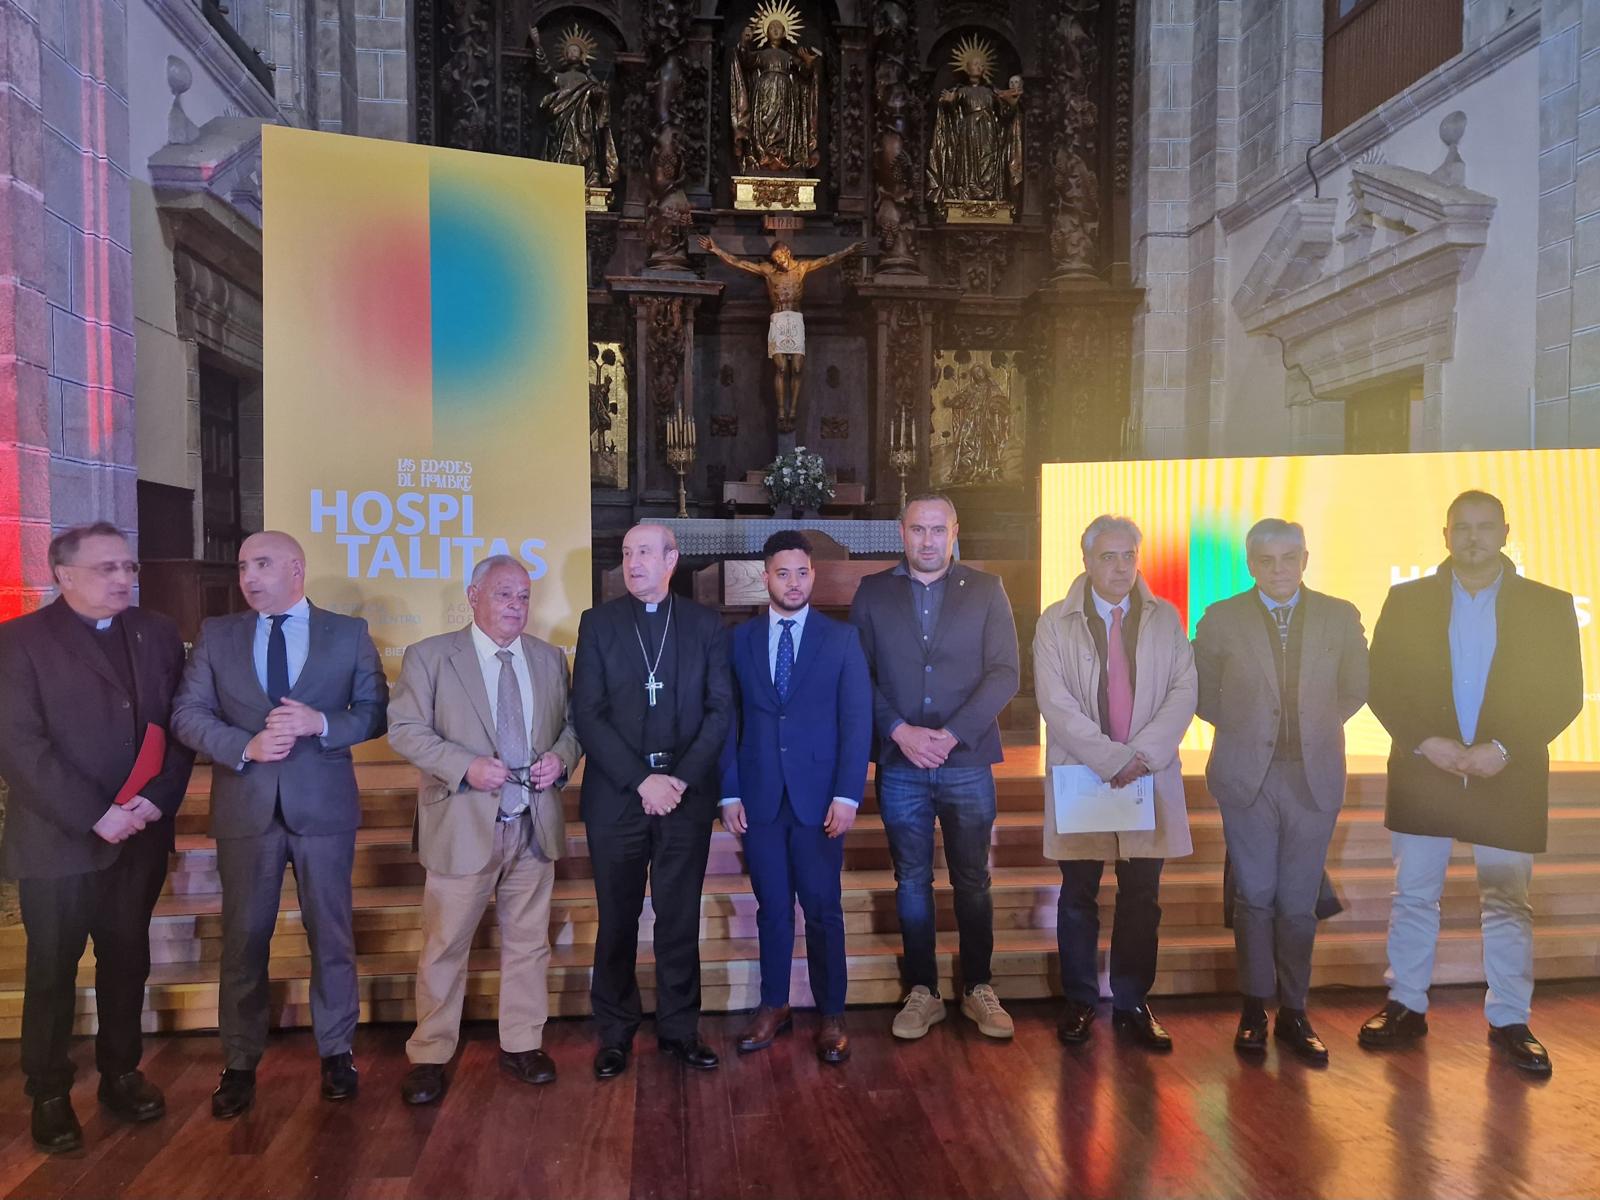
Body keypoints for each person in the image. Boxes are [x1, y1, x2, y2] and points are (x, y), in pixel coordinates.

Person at [1359, 491, 1582, 1075]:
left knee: (1507, 903)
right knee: (1413, 897)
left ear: (1506, 533)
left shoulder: (1548, 606)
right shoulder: (1405, 602)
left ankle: (1511, 1018)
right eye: (1463, 528)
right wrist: (1423, 741)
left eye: (1486, 527)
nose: (1474, 537)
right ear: (1446, 534)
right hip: (1424, 772)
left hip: (1506, 777)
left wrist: (1504, 749)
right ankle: (1405, 1005)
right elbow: (1380, 682)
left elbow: (1563, 694)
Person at [172, 531, 388, 1117]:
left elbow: (373, 712)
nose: (249, 576)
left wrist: (322, 721)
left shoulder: (347, 634)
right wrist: (246, 746)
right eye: (243, 565)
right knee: (243, 940)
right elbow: (187, 715)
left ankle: (336, 1052)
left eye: (262, 564)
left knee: (331, 935)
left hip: (323, 810)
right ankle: (239, 1063)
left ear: (297, 569)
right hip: (246, 809)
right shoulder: (218, 636)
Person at [0, 523, 195, 1153]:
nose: (123, 579)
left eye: (128, 567)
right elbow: (20, 748)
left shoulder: (158, 633)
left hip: (139, 834)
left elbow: (180, 727)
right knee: (52, 971)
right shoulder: (18, 642)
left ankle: (120, 1072)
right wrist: (95, 814)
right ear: (63, 574)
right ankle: (50, 1091)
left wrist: (153, 801)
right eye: (107, 568)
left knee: (126, 960)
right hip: (58, 840)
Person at [387, 555, 582, 1104]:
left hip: (532, 822)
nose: (516, 606)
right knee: (444, 946)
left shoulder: (548, 658)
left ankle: (522, 1042)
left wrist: (561, 760)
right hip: (462, 823)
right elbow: (403, 730)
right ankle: (429, 1053)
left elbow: (571, 727)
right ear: (473, 597)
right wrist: (462, 765)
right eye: (504, 595)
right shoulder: (430, 657)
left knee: (528, 944)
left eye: (523, 596)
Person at [1193, 519, 1368, 1063]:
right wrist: (1250, 733)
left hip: (1314, 778)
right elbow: (1202, 695)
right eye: (1265, 560)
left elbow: (1356, 688)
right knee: (1255, 897)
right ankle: (1252, 1009)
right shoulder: (1222, 618)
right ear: (1250, 564)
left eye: (1288, 558)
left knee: (1296, 904)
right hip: (1248, 777)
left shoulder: (1341, 616)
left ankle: (1294, 1011)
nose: (1277, 569)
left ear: (1305, 559)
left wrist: (1311, 728)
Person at [848, 494, 1020, 1041]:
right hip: (901, 761)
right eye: (917, 529)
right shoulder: (873, 592)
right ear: (901, 532)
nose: (927, 540)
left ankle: (978, 987)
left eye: (937, 530)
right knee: (912, 881)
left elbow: (1005, 673)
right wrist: (898, 730)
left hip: (965, 759)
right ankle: (922, 990)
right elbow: (858, 673)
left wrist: (949, 735)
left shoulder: (988, 590)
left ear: (954, 532)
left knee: (973, 879)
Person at [571, 523, 734, 1077]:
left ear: (671, 560)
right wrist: (642, 781)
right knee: (616, 918)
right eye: (625, 552)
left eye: (643, 552)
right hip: (618, 797)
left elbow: (719, 712)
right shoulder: (598, 624)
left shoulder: (705, 625)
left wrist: (680, 781)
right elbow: (586, 715)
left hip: (684, 798)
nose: (631, 562)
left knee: (678, 917)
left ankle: (679, 1029)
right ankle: (615, 1031)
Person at [1032, 515, 1197, 1051]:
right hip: (1084, 775)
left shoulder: (1165, 618)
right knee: (1079, 894)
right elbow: (1054, 703)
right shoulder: (1054, 622)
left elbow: (1183, 692)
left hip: (1146, 778)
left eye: (1129, 555)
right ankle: (1080, 1001)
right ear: (1085, 561)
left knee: (1142, 897)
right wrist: (1109, 760)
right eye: (1108, 556)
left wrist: (1142, 757)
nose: (1121, 566)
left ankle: (1132, 1002)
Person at [720, 532, 871, 1064]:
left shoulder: (841, 640)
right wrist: (730, 791)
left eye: (801, 572)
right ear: (765, 577)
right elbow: (729, 720)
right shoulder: (738, 640)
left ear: (813, 575)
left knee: (824, 909)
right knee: (773, 910)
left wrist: (848, 794)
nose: (792, 582)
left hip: (819, 800)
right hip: (759, 798)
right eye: (781, 573)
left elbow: (857, 722)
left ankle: (832, 1013)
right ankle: (774, 1005)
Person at [697, 234, 863, 432]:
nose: (778, 262)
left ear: (787, 253)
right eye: (775, 260)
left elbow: (828, 260)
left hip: (795, 321)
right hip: (777, 320)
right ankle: (781, 412)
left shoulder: (801, 268)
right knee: (782, 368)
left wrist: (850, 250)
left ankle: (792, 410)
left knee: (798, 369)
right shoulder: (769, 271)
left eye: (780, 258)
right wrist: (715, 249)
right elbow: (739, 263)